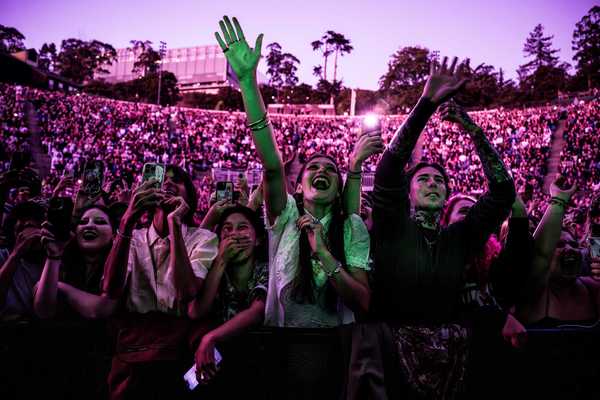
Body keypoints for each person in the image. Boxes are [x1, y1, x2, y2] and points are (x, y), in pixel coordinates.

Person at [215, 16, 370, 399]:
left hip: (336, 353)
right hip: (280, 350)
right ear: (297, 187)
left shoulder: (351, 228)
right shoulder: (283, 217)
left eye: (329, 170)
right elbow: (271, 164)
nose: (320, 171)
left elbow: (363, 301)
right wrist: (249, 85)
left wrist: (323, 254)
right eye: (312, 168)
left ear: (337, 190)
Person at [357, 62, 516, 399]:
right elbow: (388, 168)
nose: (433, 183)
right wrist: (425, 103)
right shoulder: (392, 226)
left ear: (446, 194)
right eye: (423, 179)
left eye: (440, 180)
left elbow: (503, 191)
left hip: (454, 363)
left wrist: (471, 128)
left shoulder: (460, 238)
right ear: (409, 193)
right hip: (390, 363)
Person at [101, 164, 218, 400]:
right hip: (134, 357)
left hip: (178, 356)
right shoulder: (131, 239)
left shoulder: (203, 239)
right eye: (162, 179)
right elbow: (110, 290)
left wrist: (174, 223)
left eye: (178, 180)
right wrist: (127, 220)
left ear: (190, 196)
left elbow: (186, 291)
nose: (169, 183)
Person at [191, 206, 267, 398]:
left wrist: (210, 337)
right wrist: (221, 260)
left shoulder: (266, 270)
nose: (234, 234)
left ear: (258, 239)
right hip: (219, 370)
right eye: (227, 229)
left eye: (242, 227)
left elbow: (258, 310)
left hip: (259, 365)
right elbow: (197, 311)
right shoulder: (215, 273)